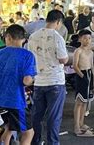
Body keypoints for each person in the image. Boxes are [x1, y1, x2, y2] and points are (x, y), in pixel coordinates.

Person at [0, 24, 35, 145]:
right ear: (23, 39)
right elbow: (26, 81)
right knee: (28, 132)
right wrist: (31, 78)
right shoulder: (27, 55)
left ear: (8, 37)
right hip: (16, 101)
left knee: (9, 128)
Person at [28, 10, 69, 145]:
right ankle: (53, 142)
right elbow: (63, 59)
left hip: (39, 81)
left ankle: (35, 141)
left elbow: (30, 57)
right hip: (55, 81)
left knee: (37, 115)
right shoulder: (57, 37)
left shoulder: (33, 36)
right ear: (58, 22)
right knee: (54, 117)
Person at [73, 29, 94, 137]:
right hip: (81, 76)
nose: (87, 40)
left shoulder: (91, 52)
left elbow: (92, 66)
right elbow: (75, 66)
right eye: (84, 38)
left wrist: (93, 79)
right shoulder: (78, 51)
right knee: (79, 102)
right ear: (80, 39)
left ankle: (82, 123)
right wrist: (82, 76)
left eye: (89, 38)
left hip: (89, 75)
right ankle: (76, 127)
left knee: (85, 102)